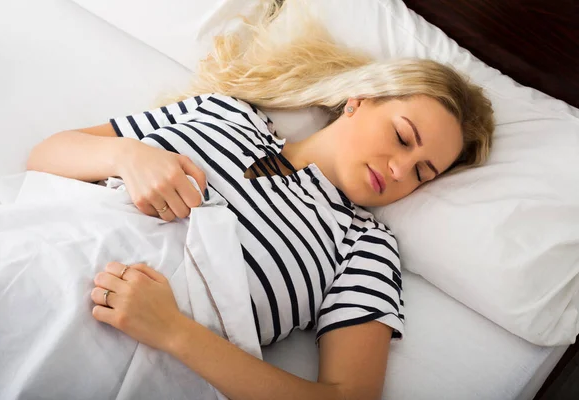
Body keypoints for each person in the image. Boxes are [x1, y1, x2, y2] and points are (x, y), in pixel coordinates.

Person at [26, 1, 494, 399]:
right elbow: (46, 156)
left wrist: (174, 331)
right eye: (402, 137)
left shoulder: (364, 247)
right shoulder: (224, 111)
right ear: (360, 99)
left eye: (421, 172)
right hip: (35, 267)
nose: (398, 169)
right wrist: (127, 155)